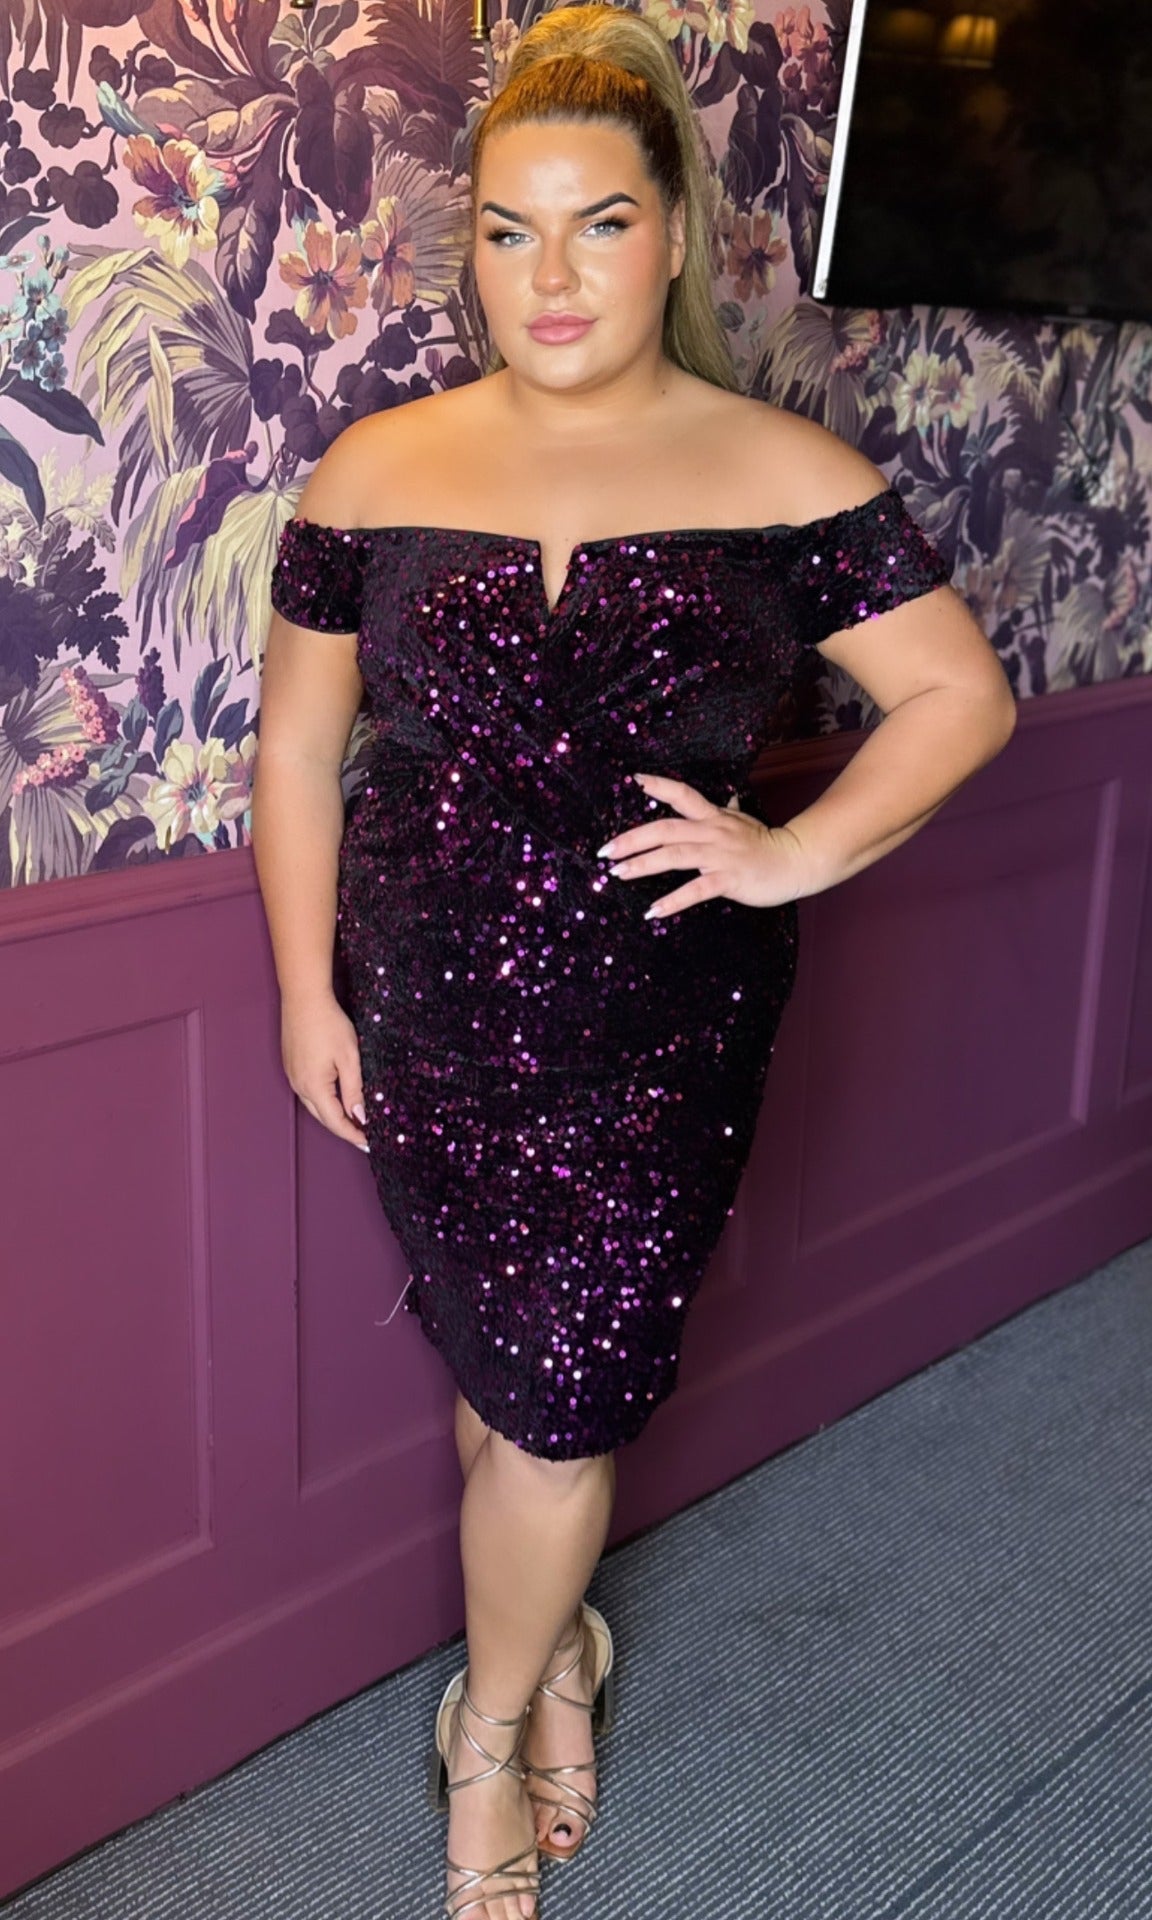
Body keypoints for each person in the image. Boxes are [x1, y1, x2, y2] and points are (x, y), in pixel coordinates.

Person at [250, 7, 1016, 1915]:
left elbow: (959, 697)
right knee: (507, 1363)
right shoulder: (373, 468)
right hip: (425, 1000)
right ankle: (563, 1649)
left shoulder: (782, 470)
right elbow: (296, 752)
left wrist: (793, 852)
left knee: (563, 1394)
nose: (552, 276)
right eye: (509, 232)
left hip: (662, 1020)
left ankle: (488, 1723)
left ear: (673, 232)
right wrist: (298, 991)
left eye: (598, 224)